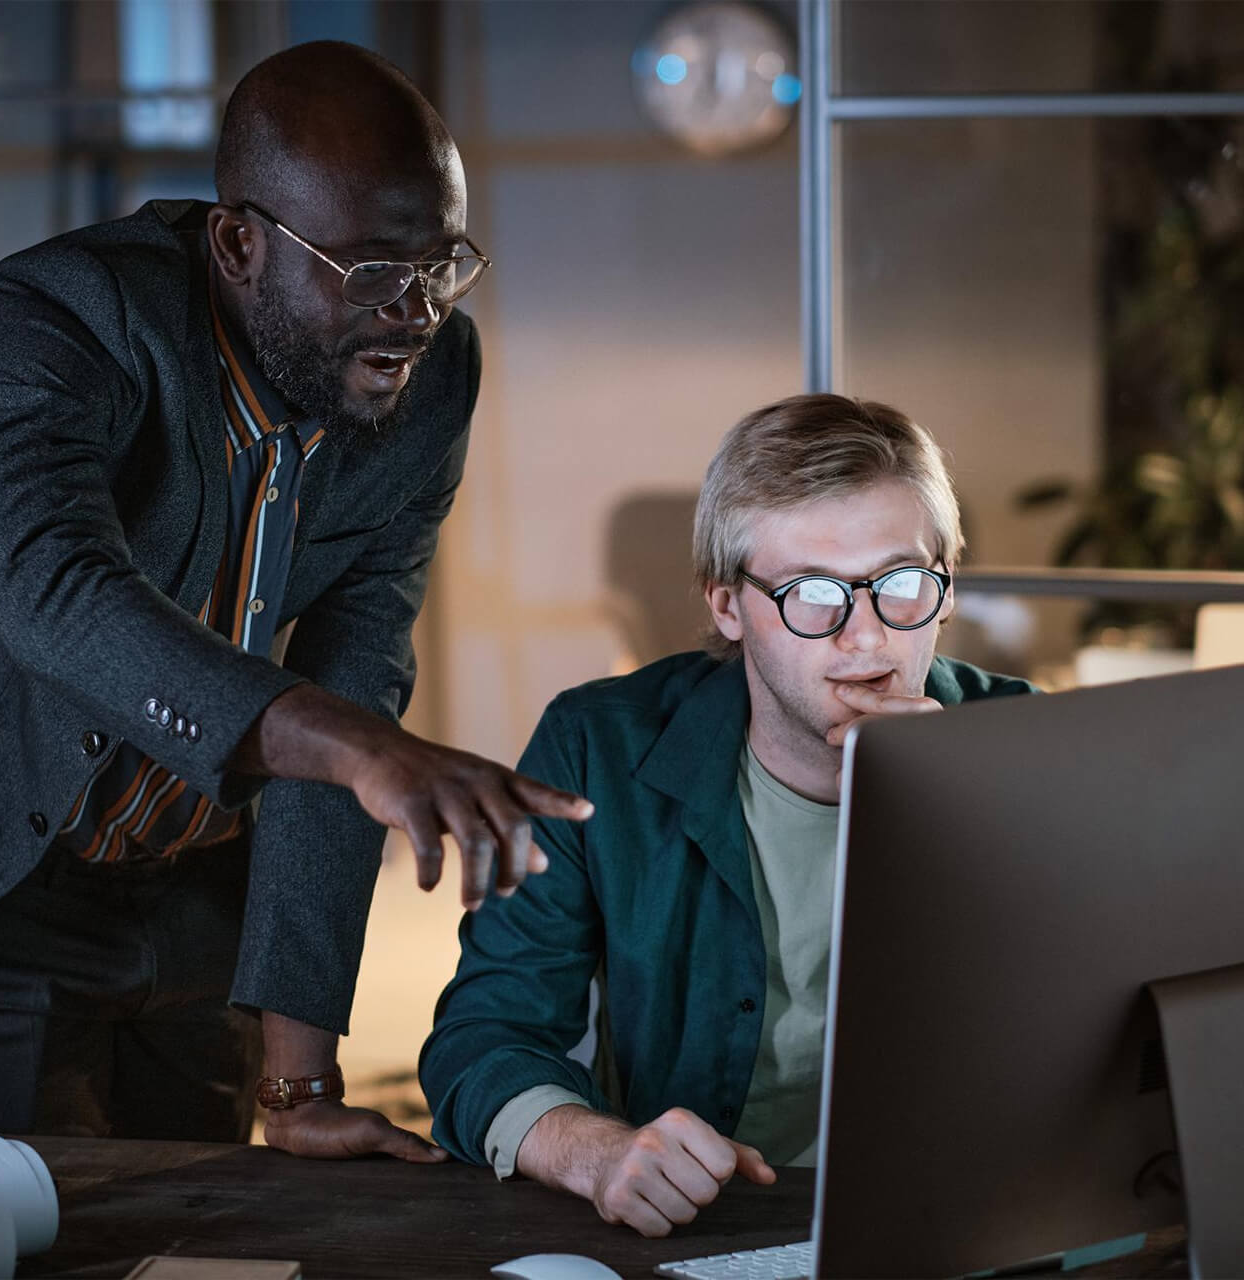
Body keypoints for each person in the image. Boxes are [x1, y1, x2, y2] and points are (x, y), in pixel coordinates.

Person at [0, 41, 591, 1158]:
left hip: (207, 889)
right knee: (24, 1230)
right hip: (1, 880)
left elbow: (356, 668)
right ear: (241, 243)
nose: (415, 311)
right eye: (370, 272)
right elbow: (56, 591)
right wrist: (357, 748)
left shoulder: (434, 376)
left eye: (443, 264)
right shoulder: (57, 315)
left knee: (208, 1232)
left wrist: (299, 1083)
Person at [420, 394, 1036, 1234]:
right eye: (814, 593)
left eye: (899, 584)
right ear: (725, 605)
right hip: (705, 1226)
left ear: (947, 587)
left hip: (961, 1219)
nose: (866, 637)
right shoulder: (597, 745)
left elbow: (1114, 1048)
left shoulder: (1027, 747)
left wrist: (960, 816)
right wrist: (596, 1152)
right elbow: (480, 1038)